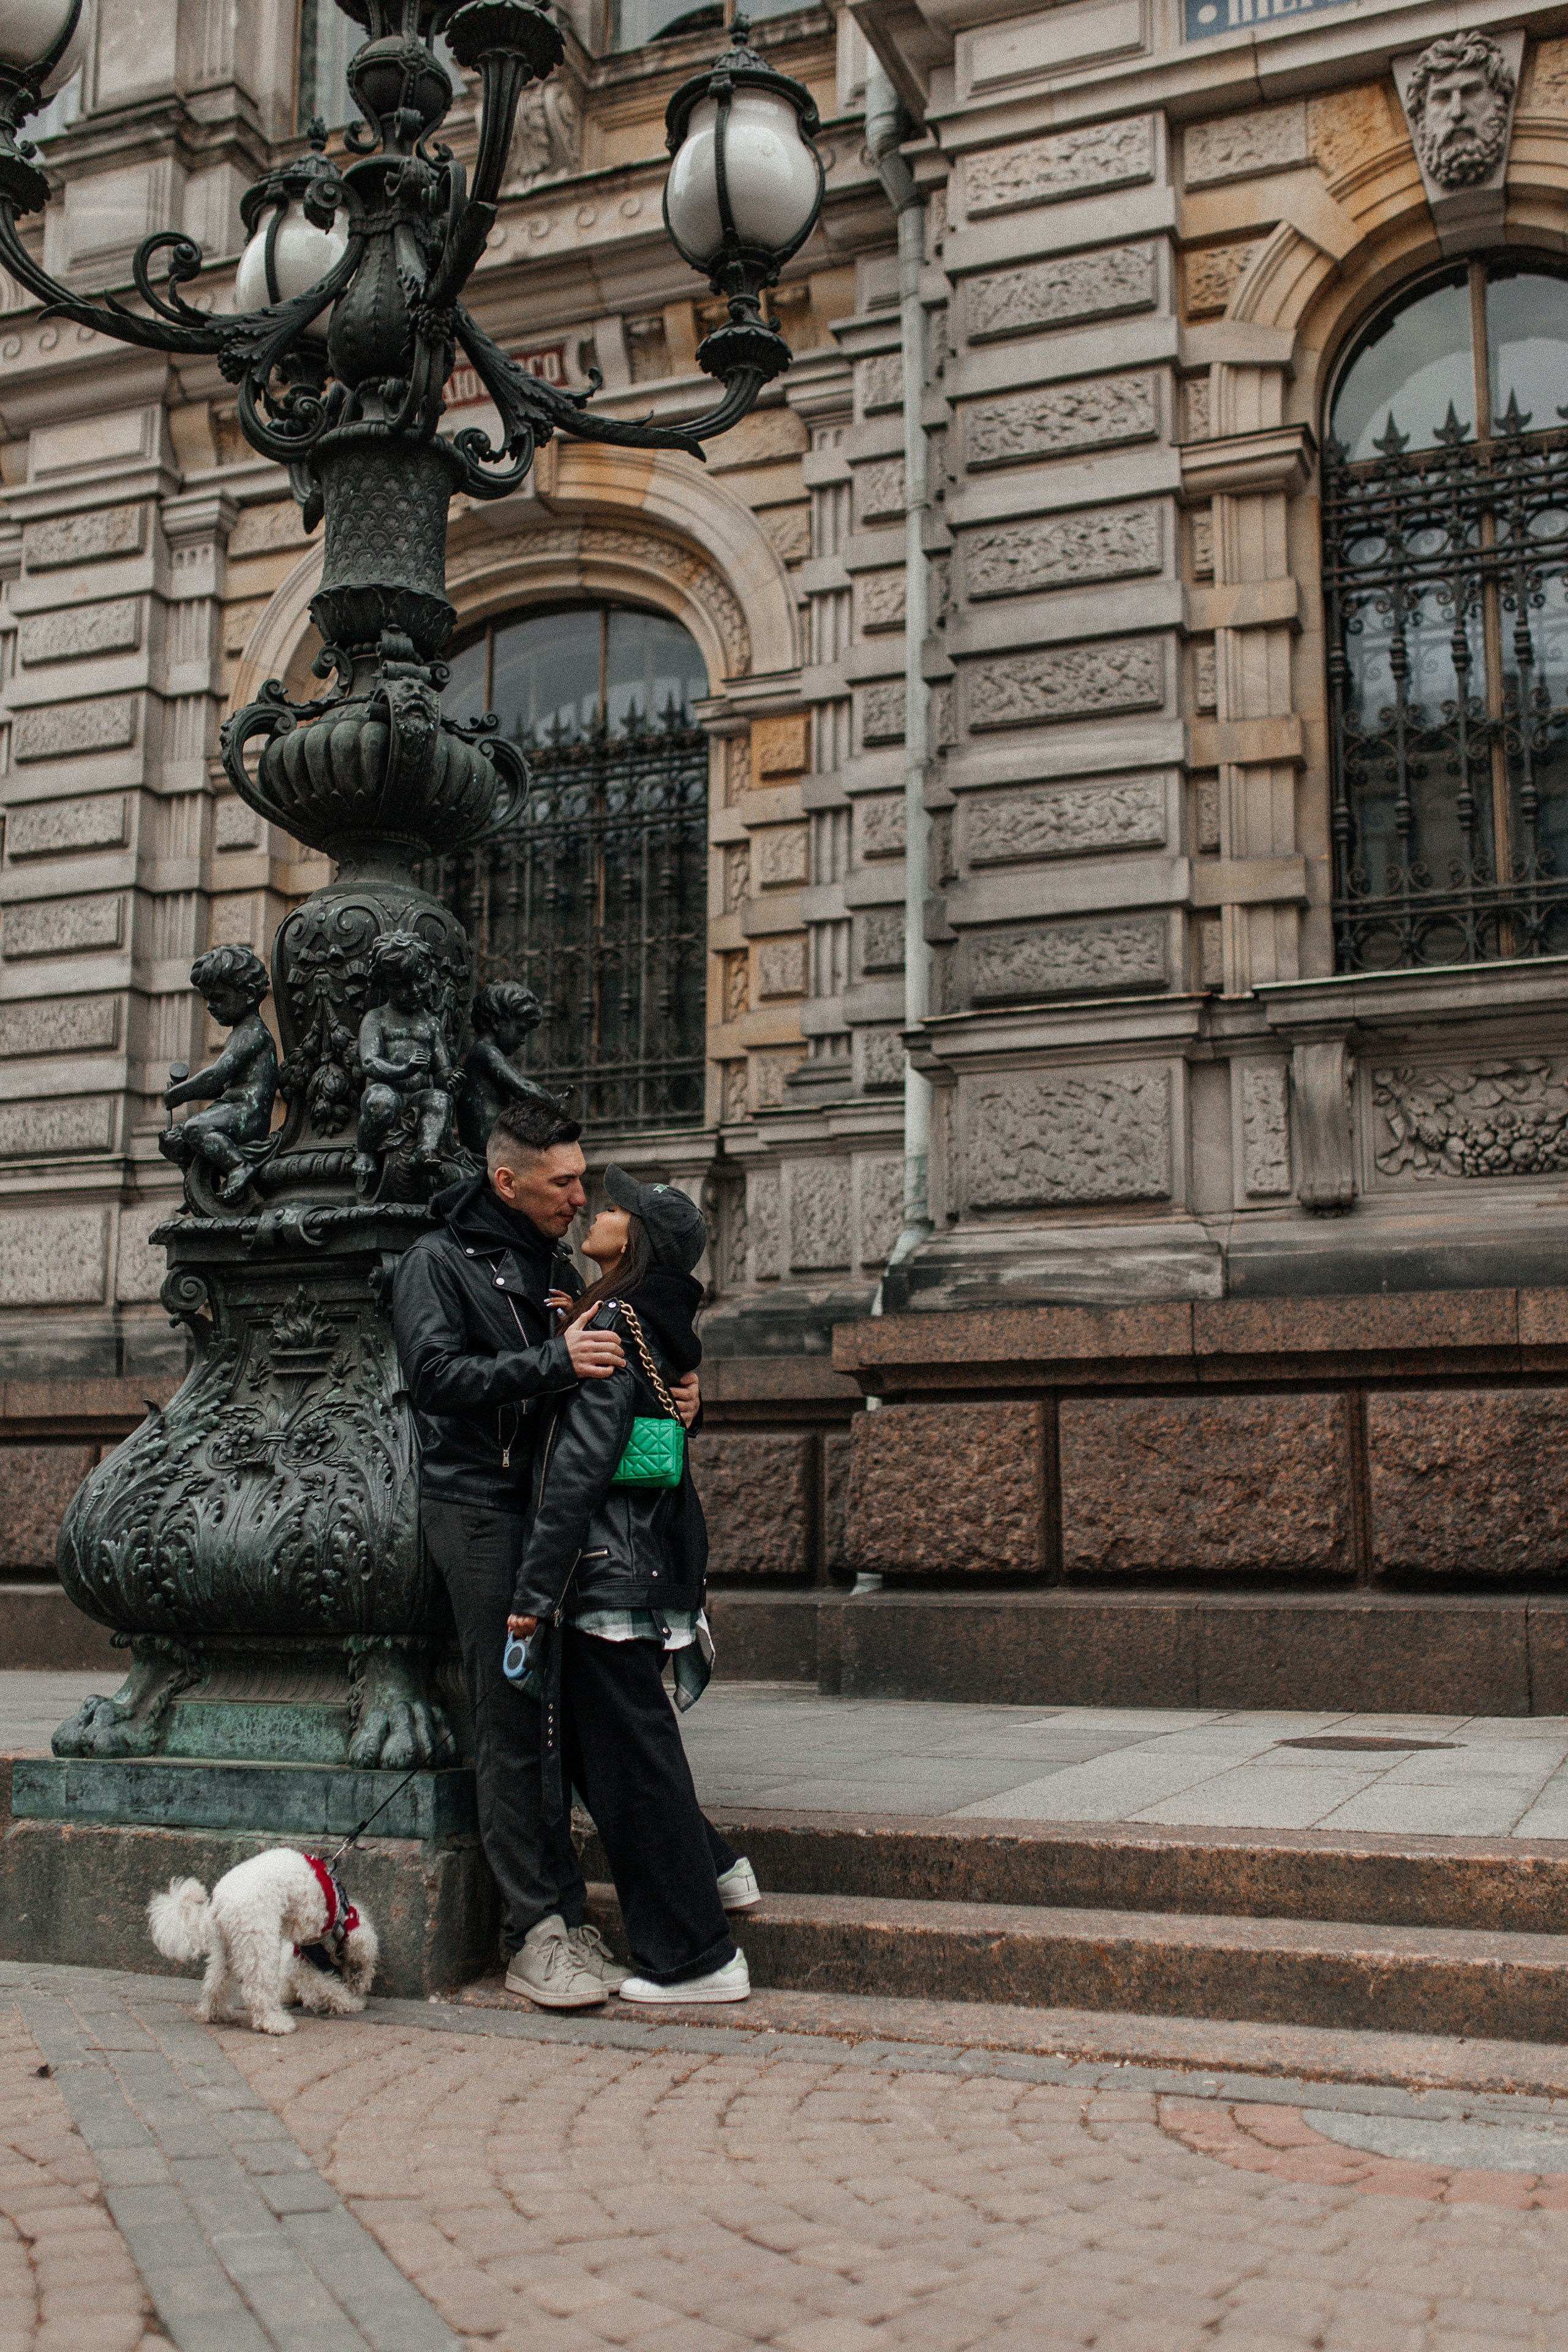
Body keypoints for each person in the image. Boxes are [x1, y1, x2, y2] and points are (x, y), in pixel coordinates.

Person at [391, 1101, 701, 2008]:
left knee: (552, 1723)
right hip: (479, 1509)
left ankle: (565, 1917)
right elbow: (436, 1381)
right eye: (562, 1179)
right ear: (507, 1181)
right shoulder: (436, 1261)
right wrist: (555, 1359)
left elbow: (608, 1369)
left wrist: (681, 1395)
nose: (578, 1192)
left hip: (549, 1519)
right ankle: (531, 1933)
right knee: (513, 1720)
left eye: (580, 1177)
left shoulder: (554, 1263)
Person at [507, 1166, 755, 2005]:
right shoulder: (644, 1316)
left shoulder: (613, 1322)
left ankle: (696, 1958)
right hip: (643, 1567)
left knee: (630, 1765)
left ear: (637, 1238)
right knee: (612, 1752)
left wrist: (534, 1594)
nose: (594, 1210)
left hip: (604, 1574)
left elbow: (579, 1466)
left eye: (612, 1208)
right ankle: (716, 1868)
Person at [159, 944, 277, 1202]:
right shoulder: (239, 1032)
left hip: (249, 1113)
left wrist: (179, 1094)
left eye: (219, 998)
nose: (211, 1007)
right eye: (208, 999)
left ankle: (238, 1166)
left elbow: (216, 1075)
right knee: (180, 1137)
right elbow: (218, 1086)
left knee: (195, 1128)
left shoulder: (252, 1032)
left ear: (248, 994)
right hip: (234, 1108)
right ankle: (198, 1191)